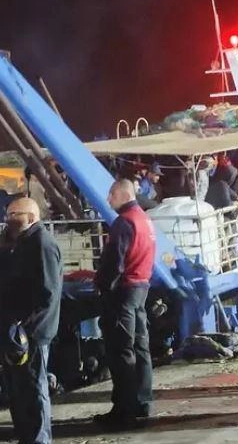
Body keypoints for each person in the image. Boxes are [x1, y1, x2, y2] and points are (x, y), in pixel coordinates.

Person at [0, 197, 62, 444]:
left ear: (31, 217)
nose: (8, 220)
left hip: (31, 334)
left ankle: (39, 439)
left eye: (14, 215)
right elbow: (6, 277)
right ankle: (26, 436)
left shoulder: (41, 244)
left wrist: (26, 329)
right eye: (7, 214)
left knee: (33, 389)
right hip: (16, 332)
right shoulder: (22, 244)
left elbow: (48, 294)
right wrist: (2, 249)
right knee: (19, 390)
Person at [93, 179, 156, 428]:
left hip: (123, 291)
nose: (108, 200)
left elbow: (114, 262)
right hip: (141, 287)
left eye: (111, 195)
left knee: (121, 350)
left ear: (121, 194)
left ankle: (123, 409)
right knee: (141, 347)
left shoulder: (123, 222)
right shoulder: (144, 219)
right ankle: (143, 401)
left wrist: (101, 284)